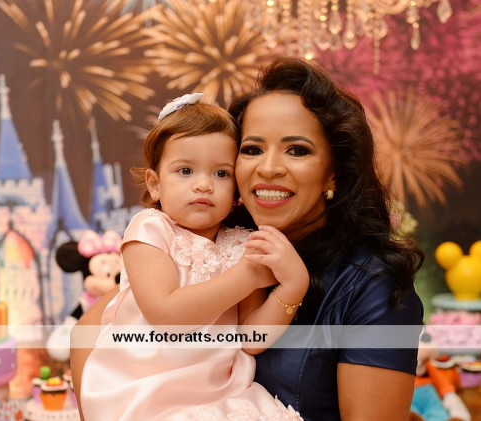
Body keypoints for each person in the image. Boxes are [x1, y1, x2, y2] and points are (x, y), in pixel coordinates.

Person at [72, 57, 424, 420]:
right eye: (252, 149)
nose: (268, 168)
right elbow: (91, 331)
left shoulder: (370, 286)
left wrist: (292, 286)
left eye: (297, 150)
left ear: (333, 173)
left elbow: (250, 338)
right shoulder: (176, 235)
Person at [77, 93, 307, 420]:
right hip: (144, 388)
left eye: (221, 174)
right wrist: (247, 276)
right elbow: (166, 314)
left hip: (218, 392)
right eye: (185, 171)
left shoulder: (244, 245)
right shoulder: (150, 230)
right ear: (155, 184)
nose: (203, 185)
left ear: (237, 189)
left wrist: (293, 286)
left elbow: (251, 340)